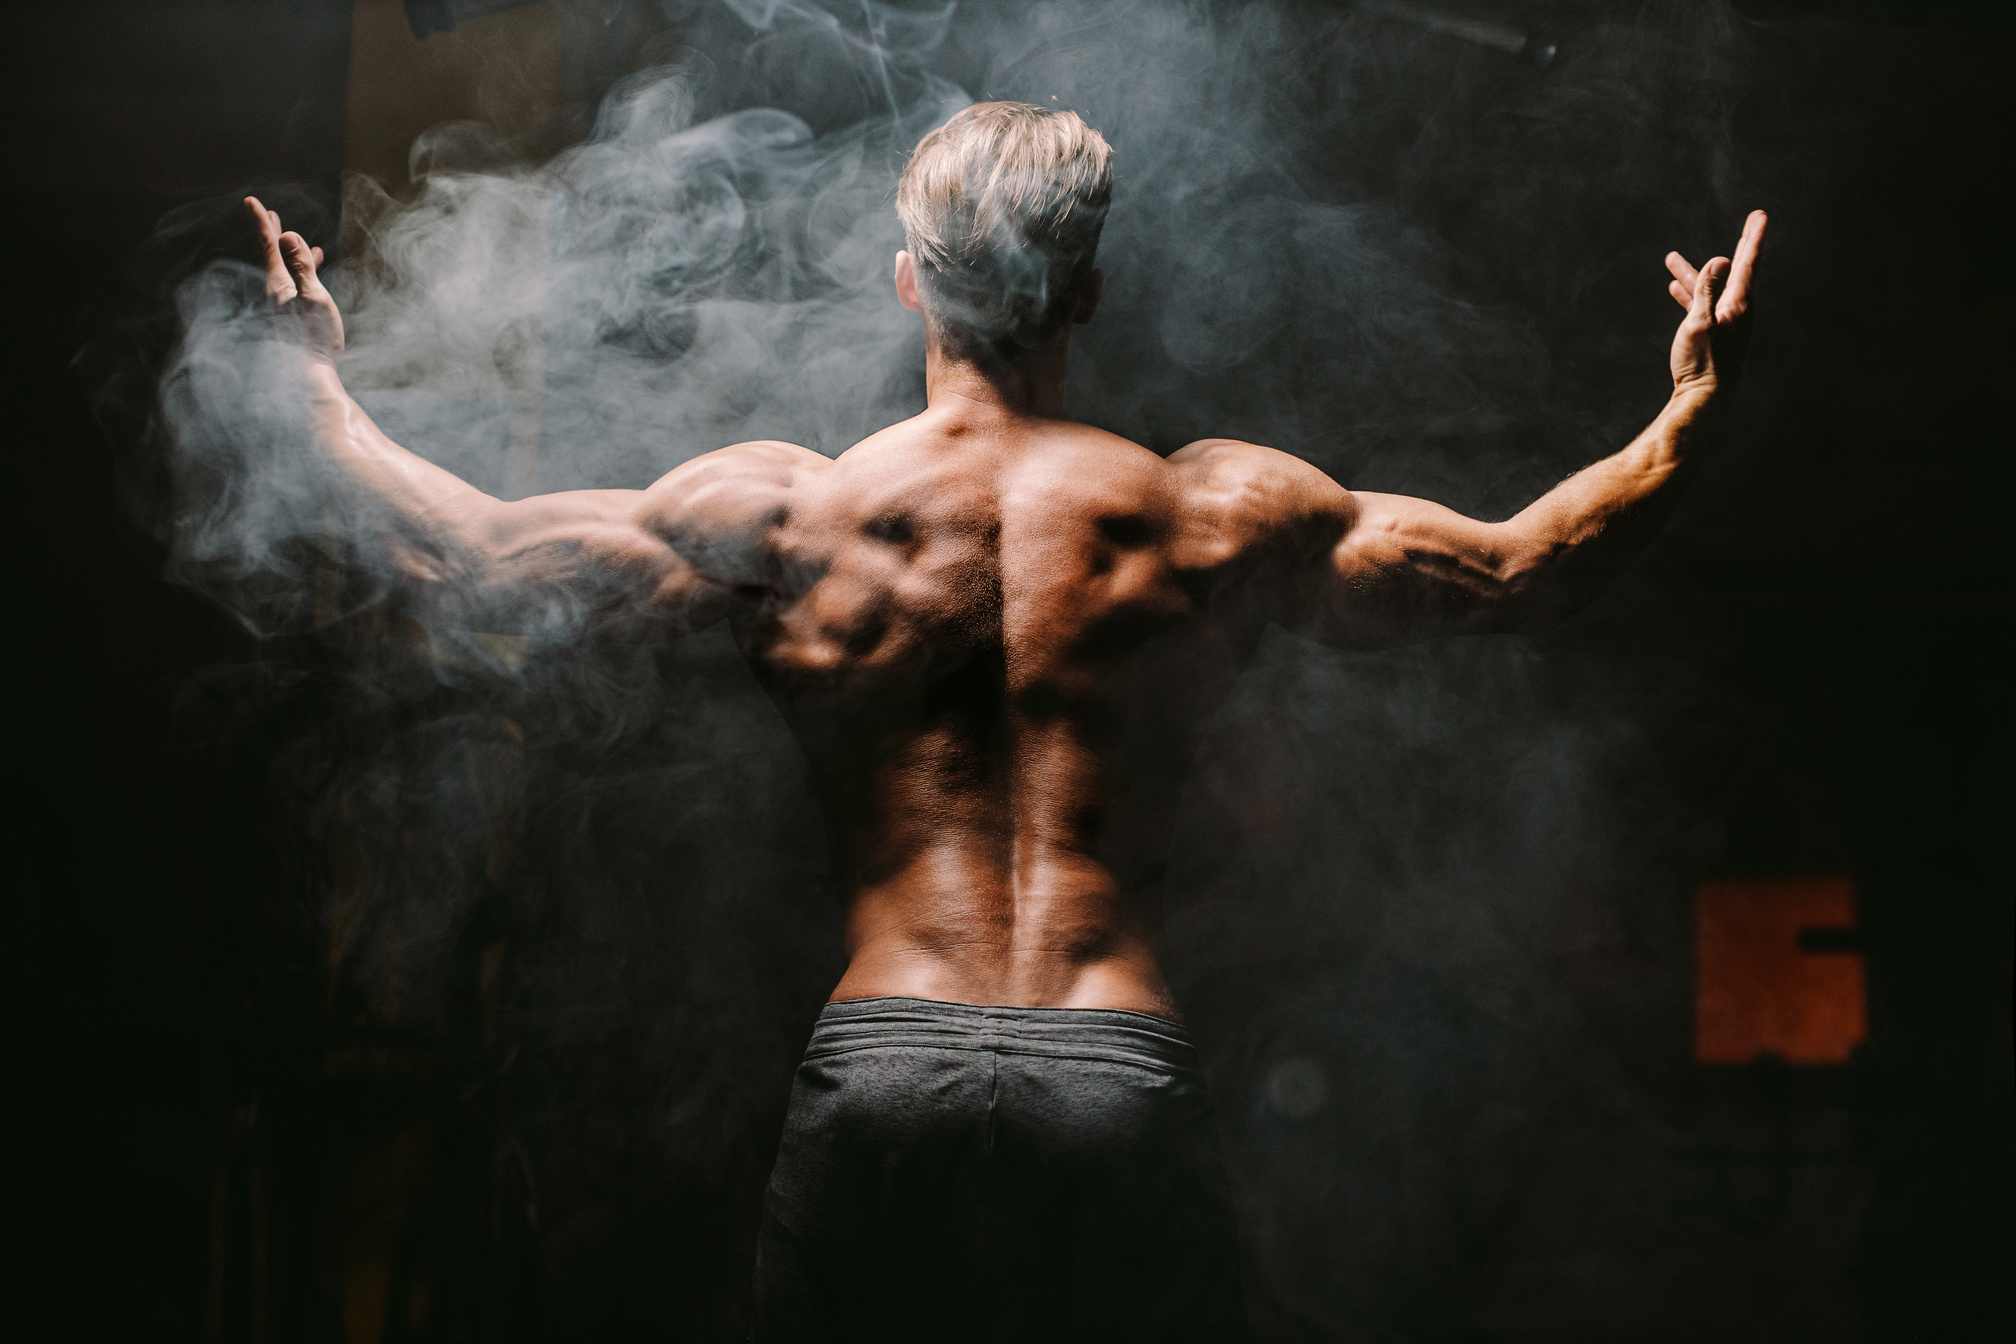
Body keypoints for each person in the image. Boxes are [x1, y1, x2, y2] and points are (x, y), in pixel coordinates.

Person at [244, 100, 1764, 1343]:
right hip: (1115, 1068)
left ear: (910, 279)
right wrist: (1685, 415)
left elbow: (471, 556)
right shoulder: (1200, 508)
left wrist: (312, 384)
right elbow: (1515, 568)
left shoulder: (797, 513)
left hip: (883, 1073)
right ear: (1089, 292)